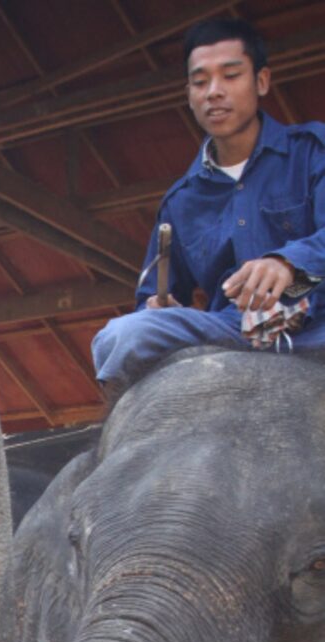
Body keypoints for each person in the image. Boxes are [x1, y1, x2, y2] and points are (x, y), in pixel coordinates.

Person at [93, 17, 325, 390]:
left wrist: (289, 264)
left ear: (261, 81)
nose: (213, 92)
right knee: (121, 337)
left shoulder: (313, 150)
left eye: (231, 76)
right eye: (200, 82)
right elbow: (151, 298)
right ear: (189, 94)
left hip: (316, 323)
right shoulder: (181, 201)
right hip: (230, 331)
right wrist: (159, 307)